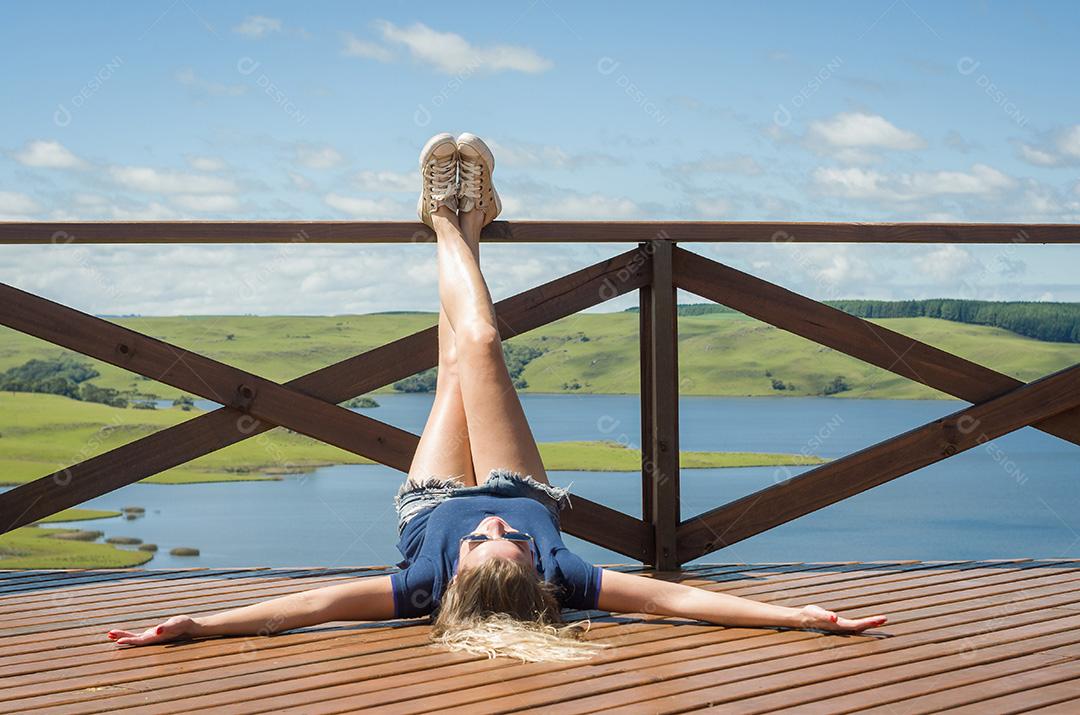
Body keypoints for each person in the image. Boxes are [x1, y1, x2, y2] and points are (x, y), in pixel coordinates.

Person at [106, 133, 887, 661]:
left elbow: (309, 606)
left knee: (455, 361)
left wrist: (197, 624)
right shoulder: (562, 569)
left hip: (426, 495)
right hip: (525, 475)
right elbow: (675, 603)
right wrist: (802, 616)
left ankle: (452, 219)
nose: (491, 524)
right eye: (508, 537)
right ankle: (461, 218)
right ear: (541, 571)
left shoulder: (417, 584)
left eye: (482, 540)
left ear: (452, 576)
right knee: (478, 345)